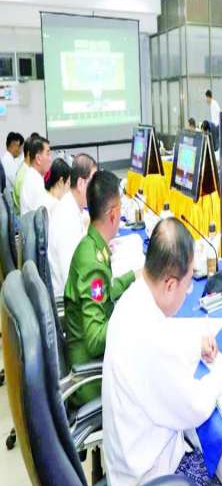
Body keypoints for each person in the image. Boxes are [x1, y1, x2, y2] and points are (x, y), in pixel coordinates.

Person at [102, 218, 222, 486]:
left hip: (132, 464)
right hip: (155, 481)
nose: (187, 293)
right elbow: (195, 407)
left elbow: (161, 347)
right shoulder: (150, 337)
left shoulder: (133, 299)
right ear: (169, 285)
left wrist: (195, 344)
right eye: (187, 285)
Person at [64, 170, 136, 407]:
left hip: (87, 357)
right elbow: (96, 340)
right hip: (91, 377)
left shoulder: (91, 245)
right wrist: (129, 319)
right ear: (113, 214)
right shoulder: (93, 262)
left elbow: (103, 293)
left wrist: (133, 277)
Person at [48, 153, 98, 300]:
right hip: (71, 301)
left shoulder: (71, 205)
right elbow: (75, 282)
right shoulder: (66, 219)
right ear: (81, 184)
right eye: (93, 183)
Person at [19, 133, 53, 215]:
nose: (50, 159)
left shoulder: (33, 176)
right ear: (38, 159)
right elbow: (44, 217)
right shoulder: (34, 181)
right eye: (48, 154)